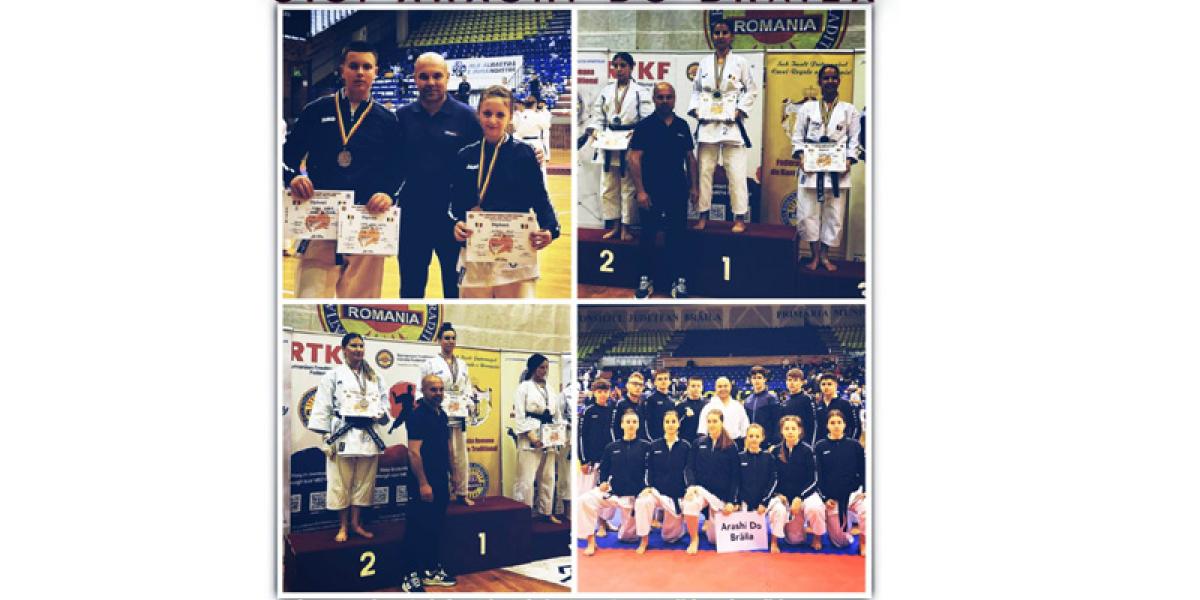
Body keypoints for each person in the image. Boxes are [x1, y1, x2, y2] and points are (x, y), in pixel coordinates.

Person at [283, 41, 402, 298]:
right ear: (342, 69)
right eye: (354, 66)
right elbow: (285, 157)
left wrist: (388, 194)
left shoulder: (388, 120)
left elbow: (398, 169)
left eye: (366, 67)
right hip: (320, 217)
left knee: (361, 304)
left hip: (367, 218)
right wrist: (293, 177)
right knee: (311, 298)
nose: (360, 72)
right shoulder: (316, 111)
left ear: (375, 72)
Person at [450, 86, 561, 298]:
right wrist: (456, 224)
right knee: (475, 313)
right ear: (478, 114)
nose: (493, 120)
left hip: (516, 253)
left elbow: (540, 198)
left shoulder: (524, 154)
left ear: (510, 117)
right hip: (476, 249)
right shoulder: (466, 155)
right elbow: (454, 204)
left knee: (516, 312)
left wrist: (550, 229)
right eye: (487, 113)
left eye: (500, 115)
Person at [395, 52, 481, 299]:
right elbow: (388, 163)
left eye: (437, 76)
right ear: (414, 79)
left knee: (455, 291)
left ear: (447, 77)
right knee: (410, 289)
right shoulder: (401, 117)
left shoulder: (467, 117)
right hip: (412, 217)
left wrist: (532, 153)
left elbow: (488, 158)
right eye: (424, 77)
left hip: (454, 220)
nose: (430, 82)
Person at [306, 333, 390, 543]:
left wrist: (381, 413)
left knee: (364, 482)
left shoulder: (375, 377)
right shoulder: (333, 376)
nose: (358, 349)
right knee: (340, 482)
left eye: (361, 346)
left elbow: (384, 402)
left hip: (368, 433)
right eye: (353, 345)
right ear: (343, 349)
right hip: (343, 433)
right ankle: (342, 526)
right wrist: (326, 437)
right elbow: (323, 406)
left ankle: (356, 524)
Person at [627, 82, 700, 299]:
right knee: (648, 235)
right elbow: (634, 159)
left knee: (677, 235)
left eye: (669, 97)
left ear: (674, 99)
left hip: (677, 189)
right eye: (660, 97)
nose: (665, 101)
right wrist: (641, 191)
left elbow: (690, 158)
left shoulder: (682, 126)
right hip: (651, 191)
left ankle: (678, 280)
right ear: (654, 99)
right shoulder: (644, 126)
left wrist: (694, 186)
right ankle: (645, 279)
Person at [688, 18, 759, 233]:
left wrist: (740, 110)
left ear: (732, 36)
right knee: (704, 172)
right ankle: (702, 215)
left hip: (731, 126)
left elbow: (751, 90)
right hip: (708, 125)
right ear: (712, 36)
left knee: (736, 173)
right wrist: (696, 109)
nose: (720, 37)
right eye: (717, 33)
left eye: (724, 32)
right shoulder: (703, 63)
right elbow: (697, 90)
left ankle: (739, 217)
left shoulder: (741, 62)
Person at [790, 64, 861, 271]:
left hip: (837, 171)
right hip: (811, 169)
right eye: (826, 78)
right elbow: (797, 136)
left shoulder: (849, 110)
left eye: (834, 78)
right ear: (819, 82)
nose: (830, 81)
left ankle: (825, 256)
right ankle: (813, 255)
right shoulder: (807, 109)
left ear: (839, 81)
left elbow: (855, 139)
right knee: (808, 214)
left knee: (834, 214)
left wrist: (849, 160)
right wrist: (801, 157)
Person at [585, 52, 653, 241]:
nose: (619, 69)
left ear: (631, 68)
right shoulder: (606, 91)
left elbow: (647, 119)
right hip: (608, 143)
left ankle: (626, 227)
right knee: (608, 187)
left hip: (629, 142)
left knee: (628, 187)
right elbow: (597, 116)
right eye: (615, 66)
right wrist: (595, 131)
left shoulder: (640, 92)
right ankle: (614, 225)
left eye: (623, 65)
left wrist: (637, 133)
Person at [400, 374, 455, 591]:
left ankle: (430, 570)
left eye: (441, 389)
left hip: (441, 479)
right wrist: (423, 483)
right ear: (423, 391)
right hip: (422, 481)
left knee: (435, 526)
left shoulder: (442, 414)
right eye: (433, 389)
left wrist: (454, 474)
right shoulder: (417, 416)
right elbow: (414, 453)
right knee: (417, 528)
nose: (438, 393)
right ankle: (410, 574)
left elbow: (447, 447)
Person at [578, 409, 651, 556]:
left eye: (634, 422)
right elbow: (604, 469)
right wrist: (602, 482)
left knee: (627, 537)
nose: (631, 425)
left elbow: (652, 469)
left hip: (634, 495)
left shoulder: (646, 447)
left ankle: (644, 541)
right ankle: (591, 542)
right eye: (628, 422)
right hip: (614, 492)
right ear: (622, 425)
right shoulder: (612, 447)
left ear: (638, 425)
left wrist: (647, 487)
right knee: (584, 500)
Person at [419, 323, 475, 506]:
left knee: (460, 455)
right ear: (439, 340)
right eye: (446, 338)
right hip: (439, 414)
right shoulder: (430, 364)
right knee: (441, 454)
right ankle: (442, 493)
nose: (450, 341)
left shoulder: (462, 364)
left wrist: (469, 403)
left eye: (453, 338)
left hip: (459, 415)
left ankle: (462, 492)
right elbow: (422, 389)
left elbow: (468, 388)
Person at [634, 409, 693, 553]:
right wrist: (647, 486)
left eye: (673, 421)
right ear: (663, 424)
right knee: (642, 502)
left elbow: (690, 470)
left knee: (670, 538)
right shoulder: (654, 446)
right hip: (657, 492)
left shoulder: (685, 446)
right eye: (667, 422)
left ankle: (679, 525)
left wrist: (689, 488)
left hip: (676, 495)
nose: (670, 424)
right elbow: (649, 469)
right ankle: (644, 540)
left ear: (678, 424)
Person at [681, 408, 740, 554]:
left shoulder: (731, 446)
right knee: (690, 503)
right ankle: (694, 539)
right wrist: (691, 486)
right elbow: (689, 468)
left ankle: (711, 519)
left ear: (721, 423)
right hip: (701, 491)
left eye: (715, 421)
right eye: (709, 421)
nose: (711, 424)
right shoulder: (698, 443)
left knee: (714, 540)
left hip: (720, 496)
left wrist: (731, 501)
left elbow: (735, 476)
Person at [510, 354, 560, 522]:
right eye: (541, 367)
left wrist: (557, 435)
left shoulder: (550, 389)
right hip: (530, 435)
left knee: (548, 476)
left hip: (549, 435)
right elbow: (519, 415)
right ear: (533, 368)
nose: (544, 371)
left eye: (546, 367)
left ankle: (546, 512)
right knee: (526, 478)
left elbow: (557, 415)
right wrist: (531, 436)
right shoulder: (524, 387)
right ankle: (523, 514)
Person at [766, 415, 825, 552]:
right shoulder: (775, 451)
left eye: (793, 428)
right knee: (795, 540)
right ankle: (779, 538)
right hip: (785, 497)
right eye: (787, 428)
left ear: (800, 430)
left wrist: (800, 497)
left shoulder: (808, 450)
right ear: (782, 431)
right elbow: (771, 477)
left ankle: (817, 537)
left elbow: (815, 479)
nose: (790, 431)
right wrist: (777, 494)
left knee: (815, 508)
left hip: (806, 494)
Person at [814, 409, 867, 555]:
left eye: (839, 422)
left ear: (844, 425)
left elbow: (864, 470)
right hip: (833, 498)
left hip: (853, 495)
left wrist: (866, 490)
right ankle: (841, 524)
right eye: (832, 423)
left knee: (867, 510)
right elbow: (817, 476)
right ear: (827, 426)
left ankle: (864, 543)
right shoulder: (820, 446)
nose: (836, 425)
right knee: (841, 542)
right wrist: (825, 498)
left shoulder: (855, 446)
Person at [578, 378, 618, 536]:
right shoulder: (588, 411)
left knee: (607, 491)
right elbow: (581, 436)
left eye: (605, 391)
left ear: (609, 393)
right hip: (591, 460)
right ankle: (592, 526)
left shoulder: (612, 410)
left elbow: (614, 434)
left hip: (608, 458)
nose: (602, 394)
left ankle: (604, 522)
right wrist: (583, 460)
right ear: (594, 393)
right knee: (590, 494)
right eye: (599, 391)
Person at [735, 424, 778, 546]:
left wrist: (764, 502)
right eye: (751, 436)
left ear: (762, 438)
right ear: (746, 438)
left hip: (764, 501)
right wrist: (737, 502)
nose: (754, 439)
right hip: (745, 502)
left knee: (779, 509)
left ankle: (774, 541)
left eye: (757, 436)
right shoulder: (739, 457)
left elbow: (773, 481)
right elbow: (735, 481)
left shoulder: (769, 457)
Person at [697, 376, 749, 446]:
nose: (723, 389)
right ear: (715, 388)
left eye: (725, 386)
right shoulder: (708, 407)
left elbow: (745, 429)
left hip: (736, 443)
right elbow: (702, 431)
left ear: (730, 387)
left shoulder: (738, 406)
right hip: (714, 444)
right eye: (720, 386)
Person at [812, 372, 860, 445]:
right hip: (823, 446)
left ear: (836, 385)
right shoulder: (817, 405)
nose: (826, 387)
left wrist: (849, 444)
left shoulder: (845, 404)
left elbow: (855, 427)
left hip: (842, 445)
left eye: (829, 384)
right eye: (823, 384)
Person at [743, 365, 782, 447]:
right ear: (750, 380)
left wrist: (774, 444)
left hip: (767, 443)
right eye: (754, 378)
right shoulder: (747, 400)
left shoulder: (772, 398)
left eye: (759, 377)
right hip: (752, 442)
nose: (756, 380)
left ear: (765, 379)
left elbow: (777, 423)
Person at [513, 96, 548, 180]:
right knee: (539, 168)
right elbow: (546, 125)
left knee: (522, 169)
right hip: (536, 143)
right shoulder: (538, 115)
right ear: (535, 104)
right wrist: (542, 112)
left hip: (522, 143)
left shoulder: (519, 115)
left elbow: (516, 128)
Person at [611, 371, 651, 442]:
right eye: (635, 384)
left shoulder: (644, 404)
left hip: (641, 445)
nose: (638, 387)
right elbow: (615, 430)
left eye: (640, 385)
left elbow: (644, 429)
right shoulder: (621, 405)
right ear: (627, 385)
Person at [781, 367, 816, 445]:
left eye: (795, 380)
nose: (792, 383)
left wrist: (807, 444)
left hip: (802, 442)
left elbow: (811, 425)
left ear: (802, 382)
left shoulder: (806, 399)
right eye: (789, 380)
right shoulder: (786, 401)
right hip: (788, 441)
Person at [642, 369, 678, 441]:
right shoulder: (651, 399)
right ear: (655, 382)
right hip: (656, 440)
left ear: (669, 381)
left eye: (665, 378)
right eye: (660, 379)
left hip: (670, 438)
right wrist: (652, 440)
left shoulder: (672, 399)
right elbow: (646, 423)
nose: (663, 381)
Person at [677, 375, 708, 445]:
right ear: (688, 388)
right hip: (685, 443)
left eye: (698, 386)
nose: (696, 388)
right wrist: (684, 416)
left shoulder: (707, 405)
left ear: (702, 387)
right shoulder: (680, 406)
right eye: (693, 386)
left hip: (703, 442)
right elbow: (675, 426)